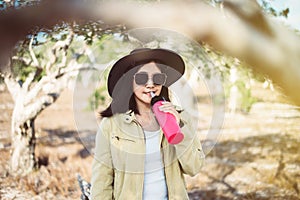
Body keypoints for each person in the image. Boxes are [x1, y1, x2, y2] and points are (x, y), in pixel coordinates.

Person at [91, 48, 205, 200]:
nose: (151, 84)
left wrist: (179, 127)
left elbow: (194, 167)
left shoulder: (180, 117)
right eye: (142, 78)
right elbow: (101, 181)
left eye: (157, 78)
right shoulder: (111, 125)